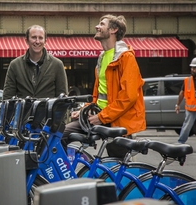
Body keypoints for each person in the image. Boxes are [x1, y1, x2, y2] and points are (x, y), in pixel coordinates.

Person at [61, 14, 146, 157]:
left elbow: (128, 97)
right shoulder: (102, 57)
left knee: (117, 164)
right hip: (101, 115)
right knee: (61, 135)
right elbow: (99, 94)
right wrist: (84, 110)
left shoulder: (126, 57)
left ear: (113, 30)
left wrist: (101, 117)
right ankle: (65, 175)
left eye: (101, 24)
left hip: (117, 120)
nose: (97, 27)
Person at [2, 25, 68, 99]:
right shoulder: (15, 65)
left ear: (45, 41)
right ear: (26, 40)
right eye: (34, 37)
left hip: (48, 110)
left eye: (40, 38)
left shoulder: (57, 65)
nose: (37, 41)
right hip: (24, 110)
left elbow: (63, 99)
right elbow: (7, 98)